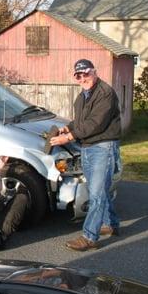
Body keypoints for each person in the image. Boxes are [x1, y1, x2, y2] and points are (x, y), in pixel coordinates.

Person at [50, 59, 122, 251]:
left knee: (96, 194)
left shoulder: (105, 93)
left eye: (86, 73)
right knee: (99, 190)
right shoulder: (83, 95)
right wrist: (67, 127)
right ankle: (111, 224)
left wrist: (68, 137)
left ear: (94, 72)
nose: (83, 78)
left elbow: (95, 123)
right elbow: (82, 120)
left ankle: (90, 237)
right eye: (78, 75)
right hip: (88, 147)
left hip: (102, 147)